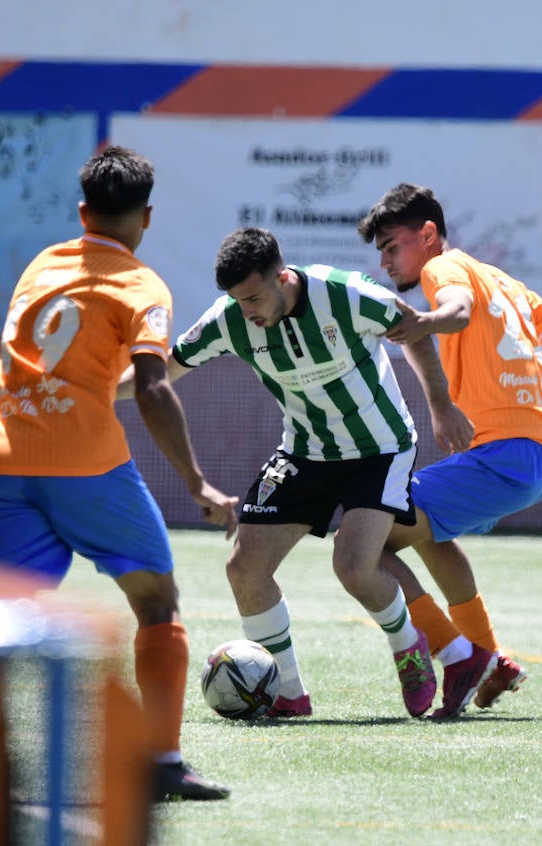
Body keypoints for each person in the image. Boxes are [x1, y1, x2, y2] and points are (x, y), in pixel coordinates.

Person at [0, 146, 238, 803]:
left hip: (0, 457)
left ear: (83, 213)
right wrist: (197, 481)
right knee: (156, 604)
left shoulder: (40, 267)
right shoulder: (143, 285)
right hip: (85, 464)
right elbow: (151, 387)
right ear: (146, 217)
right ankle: (164, 763)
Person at [121, 227, 474, 719]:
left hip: (380, 448)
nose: (246, 312)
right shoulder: (230, 321)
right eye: (236, 302)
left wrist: (440, 404)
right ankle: (289, 693)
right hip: (305, 451)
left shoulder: (347, 296)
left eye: (252, 298)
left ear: (282, 278)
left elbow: (414, 330)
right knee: (244, 568)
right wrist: (89, 392)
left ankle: (408, 645)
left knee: (353, 567)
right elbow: (159, 373)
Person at [357, 183, 542, 716]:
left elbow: (458, 310)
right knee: (426, 534)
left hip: (505, 456)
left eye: (393, 245)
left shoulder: (441, 270)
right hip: (540, 457)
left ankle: (457, 654)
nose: (385, 259)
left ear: (428, 235)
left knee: (363, 538)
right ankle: (487, 656)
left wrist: (425, 321)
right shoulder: (508, 285)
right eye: (379, 251)